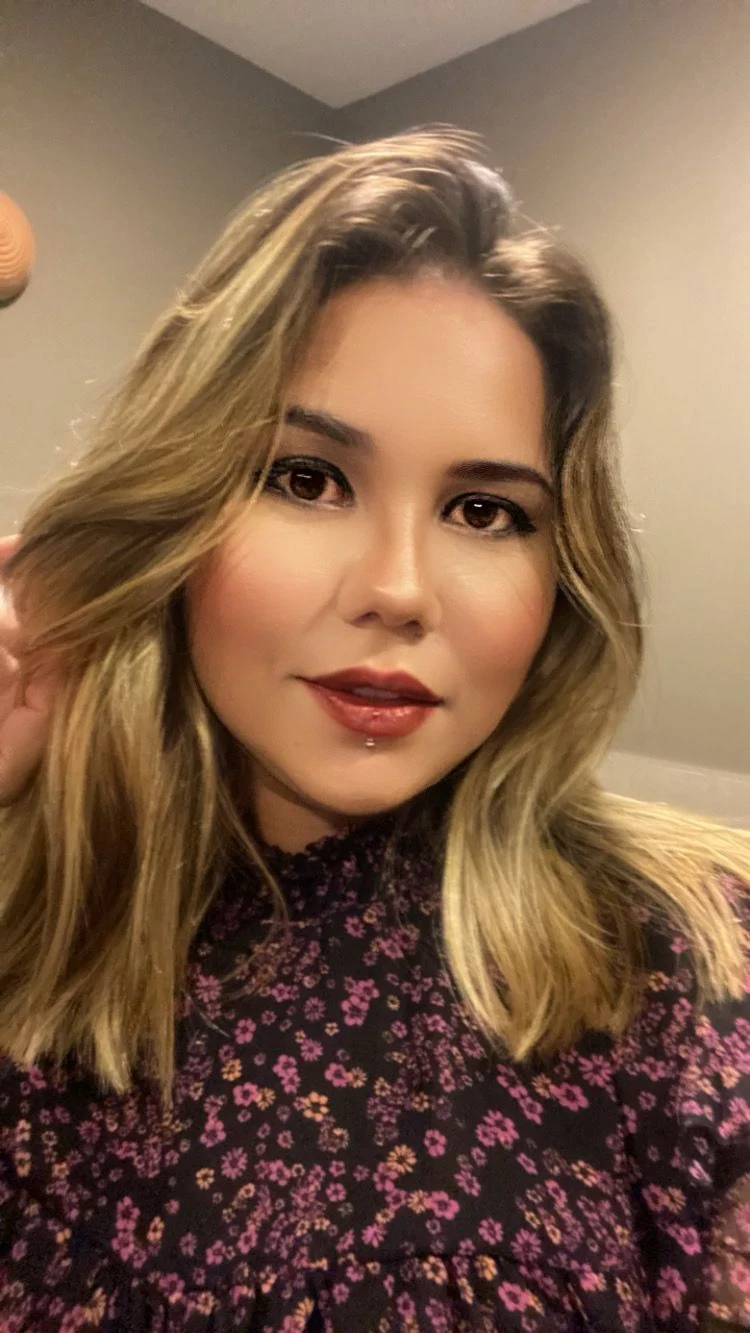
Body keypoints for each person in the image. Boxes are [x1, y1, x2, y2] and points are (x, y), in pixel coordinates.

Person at [0, 126, 749, 1332]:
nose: (399, 590)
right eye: (307, 479)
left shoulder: (697, 957)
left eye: (484, 510)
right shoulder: (32, 932)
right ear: (176, 510)